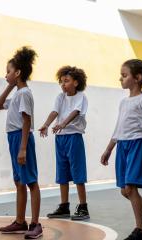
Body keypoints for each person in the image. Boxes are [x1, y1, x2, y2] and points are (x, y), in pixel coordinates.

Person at [100, 59, 142, 240]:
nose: (120, 79)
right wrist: (109, 149)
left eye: (124, 75)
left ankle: (140, 230)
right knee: (124, 191)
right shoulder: (123, 102)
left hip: (137, 145)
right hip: (122, 146)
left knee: (131, 189)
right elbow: (119, 128)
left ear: (138, 78)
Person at [0, 46, 42, 239]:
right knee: (19, 181)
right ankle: (20, 221)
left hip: (22, 138)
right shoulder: (17, 94)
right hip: (13, 137)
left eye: (8, 71)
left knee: (31, 181)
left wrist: (23, 148)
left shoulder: (24, 94)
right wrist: (10, 84)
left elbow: (26, 121)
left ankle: (36, 224)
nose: (5, 75)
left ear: (18, 72)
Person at [40, 66, 91, 221]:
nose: (63, 84)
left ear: (76, 82)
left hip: (74, 137)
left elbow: (75, 112)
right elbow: (55, 112)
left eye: (66, 81)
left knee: (78, 173)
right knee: (62, 173)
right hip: (60, 138)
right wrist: (46, 124)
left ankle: (83, 207)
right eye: (61, 81)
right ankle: (64, 206)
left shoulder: (81, 97)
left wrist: (62, 124)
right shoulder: (60, 97)